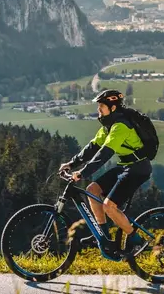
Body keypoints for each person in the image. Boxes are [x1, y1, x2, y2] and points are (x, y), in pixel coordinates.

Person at [59, 89, 152, 256]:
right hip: (125, 166)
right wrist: (71, 163)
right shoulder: (108, 127)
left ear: (113, 107)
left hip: (138, 168)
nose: (98, 109)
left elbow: (104, 154)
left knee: (109, 206)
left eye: (101, 106)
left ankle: (136, 240)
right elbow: (93, 147)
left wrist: (82, 173)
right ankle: (103, 236)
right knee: (92, 190)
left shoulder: (120, 126)